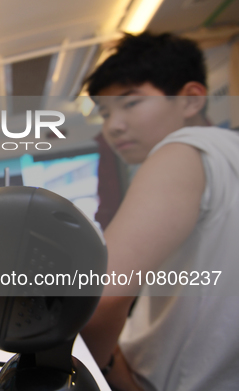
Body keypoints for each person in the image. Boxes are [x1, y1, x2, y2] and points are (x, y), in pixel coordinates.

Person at [80, 32, 239, 391]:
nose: (114, 125)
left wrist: (107, 369)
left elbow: (102, 296)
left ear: (191, 99)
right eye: (105, 112)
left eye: (130, 103)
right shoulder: (229, 149)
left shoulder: (180, 150)